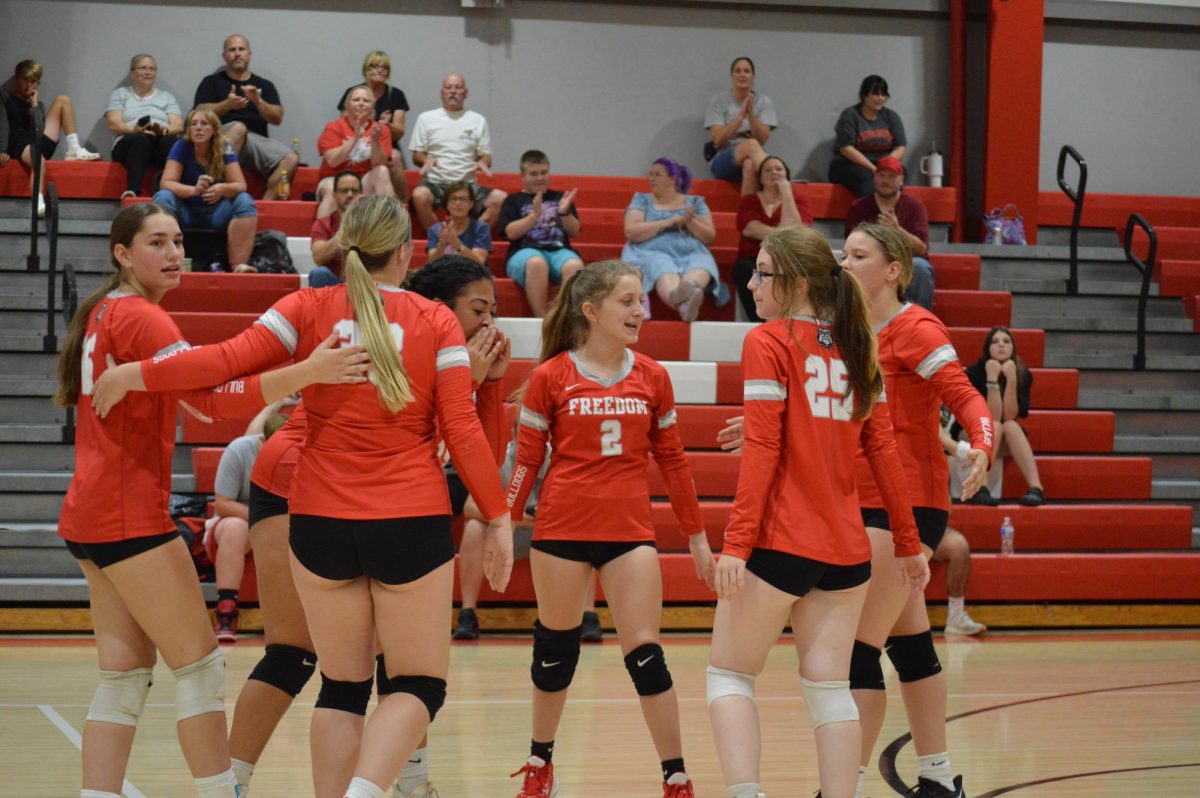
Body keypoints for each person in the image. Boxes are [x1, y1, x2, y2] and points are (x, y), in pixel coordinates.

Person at [91, 195, 515, 798]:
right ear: (405, 251)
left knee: (340, 686)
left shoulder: (305, 305)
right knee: (417, 685)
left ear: (343, 246)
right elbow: (463, 431)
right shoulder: (435, 319)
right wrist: (497, 518)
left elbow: (219, 362)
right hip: (406, 518)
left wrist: (136, 373)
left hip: (315, 517)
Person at [54, 202, 369, 798]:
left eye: (177, 242)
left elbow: (198, 399)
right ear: (122, 254)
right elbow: (216, 402)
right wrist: (312, 370)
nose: (174, 254)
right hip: (127, 516)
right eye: (156, 243)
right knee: (200, 668)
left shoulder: (104, 311)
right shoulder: (143, 318)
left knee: (123, 679)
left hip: (89, 513)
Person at [706, 224, 928, 798]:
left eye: (762, 273)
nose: (752, 284)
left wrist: (735, 543)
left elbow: (763, 450)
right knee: (829, 690)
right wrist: (907, 542)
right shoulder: (858, 341)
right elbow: (884, 453)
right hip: (848, 551)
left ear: (797, 282)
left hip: (782, 541)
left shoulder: (768, 340)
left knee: (729, 675)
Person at [505, 260, 716, 798]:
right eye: (628, 301)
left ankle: (676, 775)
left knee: (645, 653)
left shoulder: (653, 376)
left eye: (641, 300)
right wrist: (504, 526)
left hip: (628, 531)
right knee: (555, 651)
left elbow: (674, 462)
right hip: (561, 528)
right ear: (591, 310)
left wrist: (696, 536)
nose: (640, 311)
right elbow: (526, 461)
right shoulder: (551, 376)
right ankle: (539, 762)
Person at [841, 223, 994, 798]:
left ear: (893, 270)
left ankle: (842, 784)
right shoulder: (850, 328)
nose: (846, 263)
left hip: (905, 503)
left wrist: (981, 441)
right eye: (844, 254)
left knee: (855, 652)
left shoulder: (917, 328)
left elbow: (964, 394)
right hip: (859, 500)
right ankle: (936, 778)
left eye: (859, 255)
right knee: (910, 645)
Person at [406, 255, 510, 643]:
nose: (489, 324)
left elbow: (490, 459)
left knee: (410, 665)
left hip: (418, 506)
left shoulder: (465, 366)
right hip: (370, 504)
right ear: (438, 309)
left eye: (493, 313)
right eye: (478, 310)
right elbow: (418, 438)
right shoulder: (404, 351)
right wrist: (468, 381)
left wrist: (493, 382)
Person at [207, 405, 292, 643]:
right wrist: (264, 518)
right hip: (238, 520)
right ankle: (226, 610)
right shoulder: (239, 451)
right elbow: (223, 504)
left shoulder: (298, 452)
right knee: (236, 527)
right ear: (263, 443)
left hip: (280, 520)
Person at [152, 107, 258, 271]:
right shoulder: (182, 145)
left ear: (214, 129)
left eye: (204, 124)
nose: (198, 128)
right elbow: (166, 183)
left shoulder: (224, 147)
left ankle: (239, 264)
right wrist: (194, 190)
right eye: (194, 124)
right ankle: (162, 260)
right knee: (163, 197)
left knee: (245, 201)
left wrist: (221, 188)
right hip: (186, 211)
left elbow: (240, 185)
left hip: (216, 213)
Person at [194, 34, 298, 200]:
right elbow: (199, 112)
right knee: (238, 128)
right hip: (221, 138)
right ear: (224, 56)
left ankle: (266, 206)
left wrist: (258, 101)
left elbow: (277, 118)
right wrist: (227, 105)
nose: (237, 53)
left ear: (249, 54)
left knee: (291, 158)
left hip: (255, 141)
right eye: (232, 50)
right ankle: (217, 191)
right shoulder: (211, 82)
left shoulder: (264, 84)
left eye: (241, 49)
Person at [621, 157, 719, 322]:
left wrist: (690, 221)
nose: (651, 178)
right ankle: (683, 303)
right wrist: (668, 222)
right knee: (661, 263)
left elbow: (709, 237)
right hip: (650, 250)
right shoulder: (642, 199)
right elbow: (631, 231)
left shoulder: (695, 202)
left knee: (702, 262)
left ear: (672, 179)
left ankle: (688, 293)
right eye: (650, 174)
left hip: (690, 250)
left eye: (657, 174)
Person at [0, 59, 99, 217]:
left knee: (62, 100)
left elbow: (38, 130)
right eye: (25, 80)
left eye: (33, 82)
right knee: (39, 160)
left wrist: (34, 105)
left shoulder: (37, 104)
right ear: (16, 79)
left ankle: (74, 148)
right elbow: (3, 125)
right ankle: (37, 201)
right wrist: (2, 150)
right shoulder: (5, 97)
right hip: (18, 143)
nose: (29, 85)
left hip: (36, 140)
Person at [409, 73, 505, 230]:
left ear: (465, 93)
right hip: (435, 182)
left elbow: (486, 156)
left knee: (500, 198)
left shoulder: (477, 120)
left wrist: (482, 162)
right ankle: (439, 239)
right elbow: (417, 155)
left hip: (467, 183)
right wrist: (426, 159)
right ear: (442, 93)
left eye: (457, 88)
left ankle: (471, 239)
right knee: (419, 195)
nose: (452, 91)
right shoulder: (426, 118)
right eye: (448, 87)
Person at [963, 326, 1045, 507]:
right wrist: (992, 379)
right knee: (996, 425)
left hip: (1000, 438)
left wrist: (1012, 379)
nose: (1001, 345)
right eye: (995, 341)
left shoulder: (1023, 374)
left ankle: (1036, 487)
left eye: (1006, 341)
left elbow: (1009, 415)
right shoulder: (973, 373)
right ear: (987, 348)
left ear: (1013, 348)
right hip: (972, 434)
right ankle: (980, 487)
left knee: (1010, 425)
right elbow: (990, 416)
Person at [498, 149, 584, 317]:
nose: (539, 178)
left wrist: (564, 212)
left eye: (544, 172)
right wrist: (535, 215)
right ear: (522, 176)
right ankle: (542, 320)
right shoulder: (512, 200)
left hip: (559, 251)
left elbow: (575, 232)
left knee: (575, 266)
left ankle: (564, 319)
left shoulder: (561, 197)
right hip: (524, 252)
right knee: (537, 263)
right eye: (533, 174)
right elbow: (511, 233)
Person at [844, 156, 934, 310]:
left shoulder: (914, 206)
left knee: (921, 268)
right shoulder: (859, 206)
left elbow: (922, 249)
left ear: (901, 180)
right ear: (874, 178)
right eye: (881, 175)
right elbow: (851, 244)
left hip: (907, 263)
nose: (885, 181)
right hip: (871, 261)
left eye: (892, 176)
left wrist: (897, 230)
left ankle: (917, 320)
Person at [732, 155, 814, 321]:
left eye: (779, 169)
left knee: (791, 272)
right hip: (752, 258)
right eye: (767, 170)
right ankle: (759, 322)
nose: (773, 173)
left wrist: (786, 193)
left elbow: (795, 232)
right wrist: (781, 232)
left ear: (787, 175)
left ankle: (787, 319)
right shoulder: (750, 200)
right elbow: (749, 228)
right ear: (760, 178)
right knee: (744, 270)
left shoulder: (799, 200)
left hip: (785, 258)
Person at [105, 53, 183, 199]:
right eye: (143, 68)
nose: (148, 73)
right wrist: (133, 130)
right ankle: (132, 190)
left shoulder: (166, 97)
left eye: (152, 69)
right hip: (128, 144)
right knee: (141, 139)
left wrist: (163, 131)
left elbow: (178, 125)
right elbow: (112, 123)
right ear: (132, 73)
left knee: (171, 142)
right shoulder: (120, 94)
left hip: (159, 141)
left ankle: (169, 191)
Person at [336, 50, 410, 201]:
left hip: (385, 142)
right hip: (356, 141)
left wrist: (384, 125)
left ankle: (403, 204)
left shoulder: (396, 95)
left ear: (388, 72)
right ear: (365, 69)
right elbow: (342, 122)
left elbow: (400, 132)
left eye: (384, 67)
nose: (379, 70)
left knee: (395, 157)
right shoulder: (353, 92)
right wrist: (364, 120)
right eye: (374, 66)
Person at [315, 85, 394, 219]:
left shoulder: (381, 130)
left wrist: (375, 141)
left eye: (366, 100)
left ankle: (380, 229)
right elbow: (333, 161)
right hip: (333, 178)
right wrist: (356, 138)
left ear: (372, 106)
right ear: (347, 105)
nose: (361, 103)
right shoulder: (334, 126)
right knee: (331, 190)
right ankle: (322, 234)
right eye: (356, 100)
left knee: (382, 171)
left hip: (363, 181)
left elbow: (380, 164)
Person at [705, 56, 775, 195]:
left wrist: (751, 114)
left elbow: (762, 139)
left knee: (749, 164)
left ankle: (747, 214)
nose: (742, 74)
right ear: (732, 76)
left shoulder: (764, 102)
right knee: (751, 145)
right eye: (738, 71)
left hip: (752, 162)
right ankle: (777, 179)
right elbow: (718, 141)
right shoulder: (718, 101)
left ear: (753, 76)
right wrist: (740, 118)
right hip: (724, 160)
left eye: (746, 71)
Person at [829, 75, 907, 198]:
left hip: (881, 164)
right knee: (866, 178)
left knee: (897, 173)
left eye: (883, 95)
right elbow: (846, 149)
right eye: (876, 94)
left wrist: (886, 166)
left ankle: (892, 214)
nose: (880, 98)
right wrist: (873, 169)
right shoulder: (850, 115)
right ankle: (870, 215)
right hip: (851, 164)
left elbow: (900, 147)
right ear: (864, 95)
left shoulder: (891, 116)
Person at [310, 170, 362, 288]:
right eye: (344, 191)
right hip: (333, 282)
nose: (350, 195)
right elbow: (319, 257)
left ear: (361, 194)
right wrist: (347, 225)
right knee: (319, 274)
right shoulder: (323, 223)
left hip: (363, 283)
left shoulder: (373, 223)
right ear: (334, 195)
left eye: (355, 191)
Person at [426, 181, 492, 267]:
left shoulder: (481, 228)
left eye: (463, 199)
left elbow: (479, 262)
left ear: (471, 204)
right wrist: (442, 244)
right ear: (447, 204)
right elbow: (432, 263)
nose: (458, 203)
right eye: (453, 199)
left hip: (473, 276)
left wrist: (457, 244)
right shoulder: (436, 229)